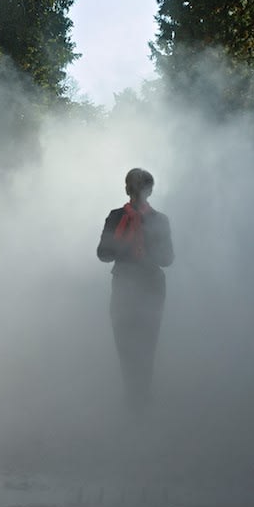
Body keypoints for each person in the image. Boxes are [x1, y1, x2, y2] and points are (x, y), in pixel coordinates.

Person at [97, 168, 174, 407]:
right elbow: (166, 259)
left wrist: (123, 243)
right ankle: (141, 396)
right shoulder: (159, 220)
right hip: (148, 285)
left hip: (128, 285)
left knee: (126, 343)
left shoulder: (116, 217)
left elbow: (103, 254)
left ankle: (134, 397)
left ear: (126, 189)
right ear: (150, 191)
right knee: (147, 342)